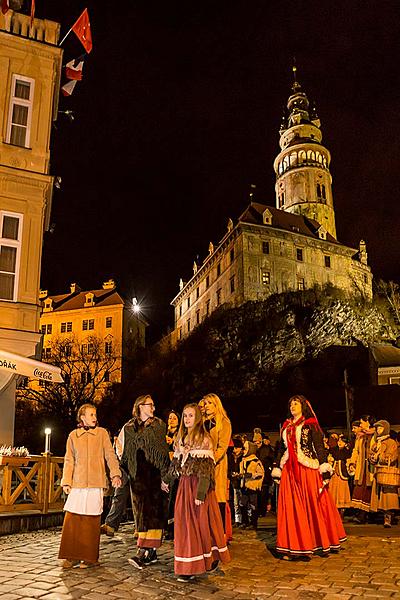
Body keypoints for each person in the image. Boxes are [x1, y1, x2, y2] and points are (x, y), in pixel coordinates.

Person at [272, 395, 346, 559]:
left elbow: (319, 447)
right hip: (290, 470)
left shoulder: (310, 425)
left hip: (307, 469)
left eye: (296, 403)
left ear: (303, 406)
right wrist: (277, 467)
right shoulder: (286, 426)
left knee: (313, 505)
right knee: (292, 508)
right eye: (291, 404)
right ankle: (295, 545)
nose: (292, 406)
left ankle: (316, 541)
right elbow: (280, 449)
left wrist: (324, 467)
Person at [170, 403, 230, 582]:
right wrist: (166, 480)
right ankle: (188, 565)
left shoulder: (204, 439)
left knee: (200, 525)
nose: (187, 419)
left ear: (197, 418)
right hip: (184, 486)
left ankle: (203, 560)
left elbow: (206, 469)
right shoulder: (181, 438)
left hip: (197, 488)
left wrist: (201, 493)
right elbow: (175, 464)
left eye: (190, 415)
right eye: (185, 416)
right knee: (184, 526)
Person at [59, 404, 122, 568]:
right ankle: (70, 555)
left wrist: (115, 474)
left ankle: (87, 557)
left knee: (91, 520)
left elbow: (110, 455)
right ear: (82, 417)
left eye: (95, 414)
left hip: (96, 483)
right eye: (91, 414)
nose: (94, 417)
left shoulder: (102, 434)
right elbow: (69, 459)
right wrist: (66, 481)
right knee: (73, 518)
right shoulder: (73, 436)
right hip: (78, 484)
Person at [121, 394, 170, 569]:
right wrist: (122, 473)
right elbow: (126, 453)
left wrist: (165, 477)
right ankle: (152, 553)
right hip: (137, 477)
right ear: (140, 406)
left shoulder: (159, 426)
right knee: (141, 514)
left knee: (154, 515)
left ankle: (143, 552)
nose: (153, 408)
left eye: (154, 405)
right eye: (150, 405)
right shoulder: (128, 428)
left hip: (155, 476)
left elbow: (163, 453)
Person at [202, 393, 232, 531]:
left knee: (217, 496)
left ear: (216, 405)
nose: (206, 406)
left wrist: (211, 459)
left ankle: (220, 533)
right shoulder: (201, 422)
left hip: (216, 464)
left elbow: (222, 446)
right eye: (205, 403)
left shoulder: (223, 422)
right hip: (201, 465)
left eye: (209, 403)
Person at [369, 419, 399, 528]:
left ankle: (388, 518)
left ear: (385, 429)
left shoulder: (391, 442)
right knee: (379, 496)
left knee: (388, 497)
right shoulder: (376, 443)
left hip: (388, 473)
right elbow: (371, 455)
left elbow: (393, 457)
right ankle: (381, 515)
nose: (378, 430)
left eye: (380, 428)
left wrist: (380, 456)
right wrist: (373, 457)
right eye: (377, 428)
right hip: (379, 472)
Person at [349, 414, 375, 523]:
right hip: (362, 466)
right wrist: (352, 462)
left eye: (362, 422)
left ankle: (366, 515)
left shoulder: (375, 435)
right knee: (359, 489)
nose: (360, 425)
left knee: (369, 490)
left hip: (370, 467)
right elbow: (356, 450)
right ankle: (360, 514)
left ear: (368, 422)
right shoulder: (360, 436)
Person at [239, 441, 264, 529]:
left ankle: (253, 524)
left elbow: (261, 473)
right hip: (244, 486)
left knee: (253, 505)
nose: (243, 450)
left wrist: (251, 475)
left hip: (253, 486)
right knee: (242, 504)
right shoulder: (243, 460)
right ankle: (245, 522)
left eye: (245, 448)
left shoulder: (256, 461)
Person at [328, 435, 352, 516]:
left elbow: (348, 460)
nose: (340, 443)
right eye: (339, 441)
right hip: (334, 474)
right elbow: (331, 457)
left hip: (343, 474)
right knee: (333, 490)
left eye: (342, 441)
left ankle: (341, 512)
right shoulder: (334, 450)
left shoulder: (347, 451)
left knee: (342, 491)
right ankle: (333, 511)